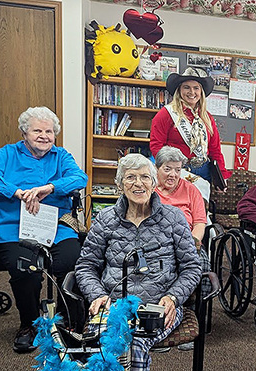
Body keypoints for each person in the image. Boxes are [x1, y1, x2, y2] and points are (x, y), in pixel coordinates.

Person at [0, 106, 87, 353]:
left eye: (49, 131)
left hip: (54, 224)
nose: (44, 136)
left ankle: (65, 321)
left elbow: (79, 178)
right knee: (27, 268)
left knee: (72, 261)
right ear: (24, 133)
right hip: (13, 226)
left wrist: (51, 188)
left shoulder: (61, 156)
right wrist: (16, 192)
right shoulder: (7, 154)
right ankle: (29, 325)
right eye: (37, 131)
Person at [75, 153, 202, 371]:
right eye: (130, 177)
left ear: (154, 183)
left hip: (158, 305)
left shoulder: (174, 218)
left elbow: (191, 267)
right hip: (114, 305)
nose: (138, 184)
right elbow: (86, 265)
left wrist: (173, 297)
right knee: (105, 346)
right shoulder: (105, 219)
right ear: (119, 185)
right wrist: (97, 295)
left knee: (135, 344)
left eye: (145, 177)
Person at [150, 66, 231, 187]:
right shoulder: (166, 114)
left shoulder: (207, 118)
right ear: (179, 90)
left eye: (196, 88)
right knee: (175, 206)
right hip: (176, 171)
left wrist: (222, 176)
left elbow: (215, 150)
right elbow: (156, 146)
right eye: (186, 87)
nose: (192, 92)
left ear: (201, 92)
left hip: (203, 172)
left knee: (199, 205)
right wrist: (168, 171)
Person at [154, 146, 207, 245]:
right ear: (156, 168)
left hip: (187, 242)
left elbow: (199, 224)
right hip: (156, 244)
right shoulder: (149, 190)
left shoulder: (191, 190)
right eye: (167, 169)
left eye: (178, 170)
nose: (173, 174)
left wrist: (190, 244)